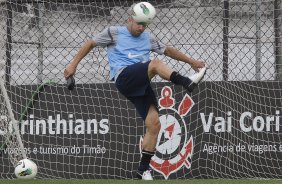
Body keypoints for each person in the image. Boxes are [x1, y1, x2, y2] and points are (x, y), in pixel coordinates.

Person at [64, 2, 207, 180]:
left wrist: (191, 61)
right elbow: (90, 44)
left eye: (144, 24)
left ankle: (143, 170)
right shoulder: (113, 32)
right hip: (124, 77)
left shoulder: (148, 38)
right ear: (130, 19)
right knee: (155, 64)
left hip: (141, 83)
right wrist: (73, 64)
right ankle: (187, 82)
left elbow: (168, 50)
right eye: (138, 23)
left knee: (154, 124)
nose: (141, 27)